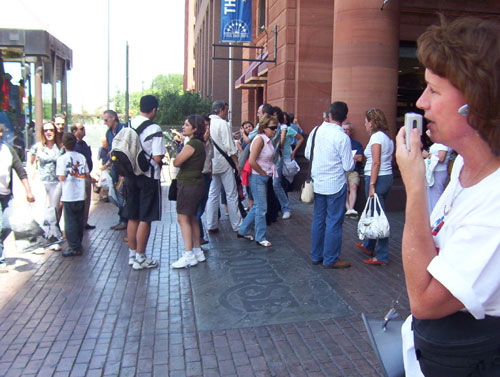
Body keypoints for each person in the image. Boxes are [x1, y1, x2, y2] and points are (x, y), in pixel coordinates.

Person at [395, 17, 500, 377]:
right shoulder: (462, 167)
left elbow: (424, 300)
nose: (421, 102)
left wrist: (414, 186)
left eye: (434, 91)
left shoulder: (495, 205)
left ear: (475, 101)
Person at [305, 101, 354, 269]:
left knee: (318, 219)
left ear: (330, 115)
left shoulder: (316, 131)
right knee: (334, 221)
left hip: (318, 182)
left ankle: (316, 255)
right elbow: (348, 166)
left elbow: (307, 154)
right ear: (345, 117)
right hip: (335, 183)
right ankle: (330, 258)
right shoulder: (342, 137)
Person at [126, 95, 166, 270]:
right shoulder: (154, 128)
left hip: (130, 175)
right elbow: (157, 156)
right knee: (145, 218)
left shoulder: (129, 124)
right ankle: (141, 257)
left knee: (132, 216)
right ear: (154, 109)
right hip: (148, 177)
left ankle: (132, 254)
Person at [355, 108, 394, 266]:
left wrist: (371, 184)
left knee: (379, 217)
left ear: (371, 122)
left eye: (365, 122)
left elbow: (376, 162)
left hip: (377, 178)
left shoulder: (377, 137)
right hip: (386, 177)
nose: (364, 125)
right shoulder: (387, 137)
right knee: (375, 212)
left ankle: (382, 255)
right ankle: (369, 246)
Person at [237, 114, 279, 247]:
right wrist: (262, 172)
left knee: (257, 206)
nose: (275, 130)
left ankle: (243, 230)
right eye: (272, 128)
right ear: (264, 127)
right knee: (261, 208)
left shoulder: (266, 139)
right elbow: (252, 160)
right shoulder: (260, 139)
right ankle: (260, 237)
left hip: (261, 176)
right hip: (257, 177)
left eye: (276, 128)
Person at [171, 115, 207, 268]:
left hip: (188, 184)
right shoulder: (200, 144)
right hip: (197, 183)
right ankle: (197, 250)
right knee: (192, 217)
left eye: (187, 125)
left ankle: (188, 254)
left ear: (195, 129)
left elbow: (177, 162)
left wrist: (177, 155)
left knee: (183, 218)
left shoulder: (191, 144)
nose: (183, 127)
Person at [0, 124, 35, 267]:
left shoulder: (8, 150)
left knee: (7, 225)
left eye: (1, 132)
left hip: (6, 195)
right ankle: (1, 259)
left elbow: (21, 171)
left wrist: (28, 191)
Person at [205, 100, 242, 233]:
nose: (227, 113)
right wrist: (237, 164)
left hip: (211, 163)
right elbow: (229, 147)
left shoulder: (207, 122)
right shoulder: (222, 123)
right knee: (231, 194)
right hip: (224, 163)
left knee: (213, 194)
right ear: (221, 110)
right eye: (226, 110)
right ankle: (237, 224)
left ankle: (211, 224)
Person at [56, 133, 88, 257]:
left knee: (69, 222)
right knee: (79, 221)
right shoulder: (81, 157)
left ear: (63, 144)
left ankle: (73, 247)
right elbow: (85, 173)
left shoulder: (61, 159)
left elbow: (61, 177)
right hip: (80, 194)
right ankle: (78, 244)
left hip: (68, 194)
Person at [29, 122, 63, 212]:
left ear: (55, 132)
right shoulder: (38, 147)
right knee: (40, 208)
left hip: (56, 182)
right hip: (41, 181)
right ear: (43, 133)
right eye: (46, 130)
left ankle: (53, 225)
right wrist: (31, 184)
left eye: (51, 130)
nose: (48, 132)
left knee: (54, 209)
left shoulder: (60, 148)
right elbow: (32, 164)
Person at [103, 110, 127, 230]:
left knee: (122, 191)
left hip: (124, 166)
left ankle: (125, 219)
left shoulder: (124, 129)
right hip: (115, 165)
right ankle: (123, 217)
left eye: (106, 120)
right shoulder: (108, 133)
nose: (105, 122)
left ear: (113, 118)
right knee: (116, 191)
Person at [71, 123, 95, 230]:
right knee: (80, 201)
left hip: (87, 176)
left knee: (87, 201)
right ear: (74, 131)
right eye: (81, 129)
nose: (84, 130)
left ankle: (84, 222)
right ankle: (78, 223)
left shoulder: (84, 144)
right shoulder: (72, 146)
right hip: (78, 177)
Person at [196, 115, 213, 245]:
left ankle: (198, 236)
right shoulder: (196, 141)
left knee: (201, 207)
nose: (207, 128)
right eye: (205, 125)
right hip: (198, 176)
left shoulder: (209, 139)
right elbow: (197, 154)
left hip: (206, 175)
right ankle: (198, 237)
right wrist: (204, 141)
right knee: (198, 209)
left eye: (209, 125)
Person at [342, 122, 364, 217]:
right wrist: (352, 156)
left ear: (350, 131)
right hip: (342, 170)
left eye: (347, 129)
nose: (345, 131)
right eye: (343, 129)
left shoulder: (356, 144)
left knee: (353, 186)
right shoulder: (340, 143)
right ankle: (348, 209)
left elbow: (359, 158)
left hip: (353, 171)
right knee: (344, 188)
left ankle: (351, 208)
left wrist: (347, 156)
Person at [422, 140, 451, 212]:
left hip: (439, 171)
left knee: (436, 196)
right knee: (432, 196)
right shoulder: (439, 142)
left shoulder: (443, 143)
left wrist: (428, 155)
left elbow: (441, 158)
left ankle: (437, 216)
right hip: (434, 171)